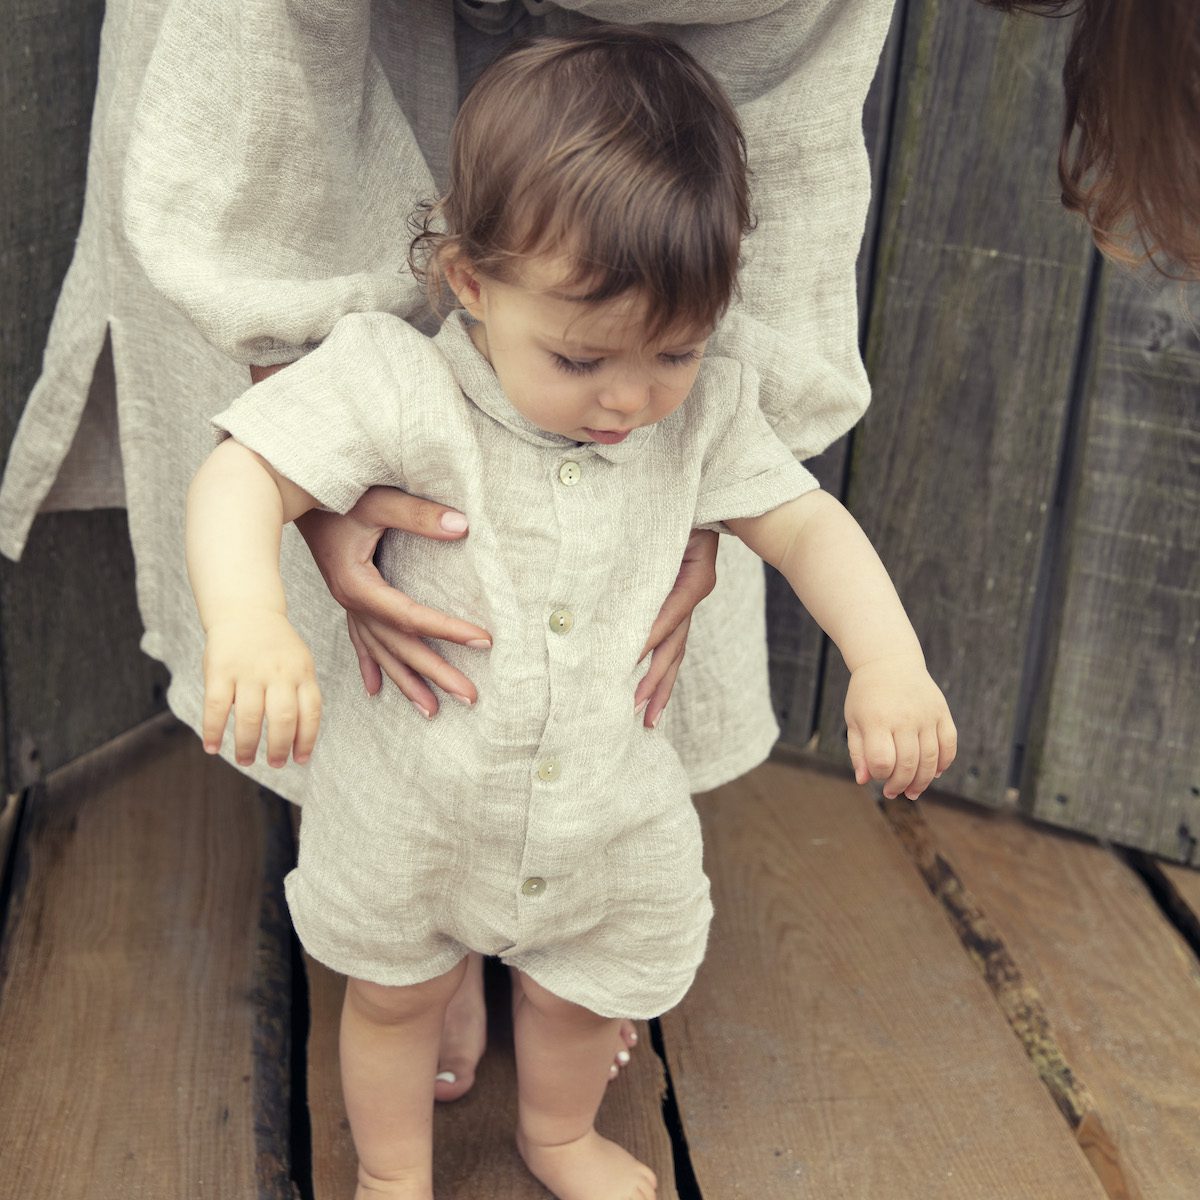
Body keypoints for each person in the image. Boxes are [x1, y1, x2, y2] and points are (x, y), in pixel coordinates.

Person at [186, 30, 956, 1199]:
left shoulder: (698, 419)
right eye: (582, 356)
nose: (632, 398)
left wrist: (888, 661)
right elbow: (242, 474)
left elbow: (806, 526)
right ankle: (393, 1174)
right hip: (417, 807)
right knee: (392, 997)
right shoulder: (396, 383)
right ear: (472, 282)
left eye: (677, 351)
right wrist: (249, 622)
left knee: (580, 990)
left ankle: (556, 1135)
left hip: (603, 810)